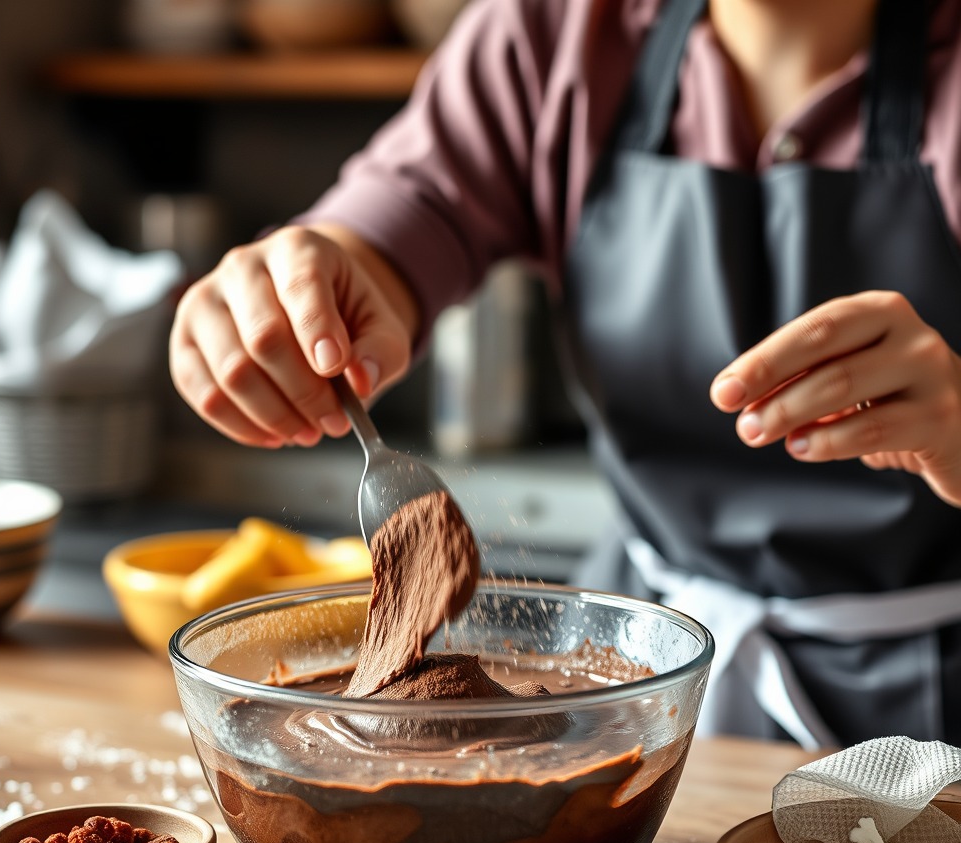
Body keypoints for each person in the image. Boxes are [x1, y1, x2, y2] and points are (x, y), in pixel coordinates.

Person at [169, 0, 961, 749]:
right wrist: (303, 288)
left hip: (929, 714)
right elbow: (404, 209)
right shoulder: (557, 30)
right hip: (631, 689)